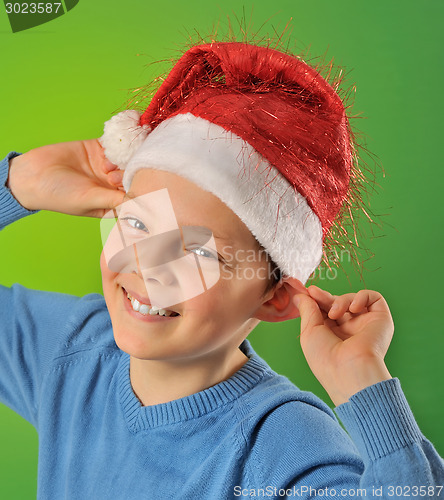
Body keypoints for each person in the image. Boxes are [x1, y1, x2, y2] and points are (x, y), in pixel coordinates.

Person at [1, 41, 443, 499]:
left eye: (200, 253)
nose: (147, 264)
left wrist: (363, 381)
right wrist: (17, 184)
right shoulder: (70, 349)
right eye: (136, 222)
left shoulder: (281, 449)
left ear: (275, 298)